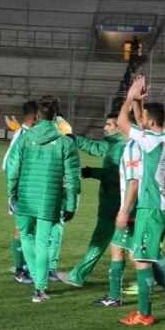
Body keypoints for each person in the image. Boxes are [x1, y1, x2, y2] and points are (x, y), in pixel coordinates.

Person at [115, 76, 165, 326]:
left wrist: (128, 98)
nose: (142, 122)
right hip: (163, 206)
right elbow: (139, 125)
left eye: (145, 119)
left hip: (152, 207)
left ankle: (144, 315)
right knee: (147, 255)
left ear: (152, 122)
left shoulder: (153, 141)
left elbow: (122, 123)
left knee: (142, 262)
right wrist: (138, 102)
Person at [5, 96, 81, 303]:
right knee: (42, 242)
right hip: (49, 199)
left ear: (37, 116)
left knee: (27, 237)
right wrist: (72, 204)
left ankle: (38, 283)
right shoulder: (65, 142)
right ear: (55, 117)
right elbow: (73, 178)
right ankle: (40, 288)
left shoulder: (24, 138)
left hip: (26, 198)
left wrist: (11, 193)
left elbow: (12, 168)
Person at [58, 112, 125, 287]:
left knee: (99, 240)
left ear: (119, 127)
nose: (105, 127)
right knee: (130, 245)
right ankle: (154, 278)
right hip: (117, 201)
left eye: (109, 124)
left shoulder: (121, 146)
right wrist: (75, 139)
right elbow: (95, 148)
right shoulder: (115, 144)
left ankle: (79, 276)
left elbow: (116, 175)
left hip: (114, 202)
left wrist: (90, 172)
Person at [94, 135, 143, 307]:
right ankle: (114, 297)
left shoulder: (133, 148)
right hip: (139, 208)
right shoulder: (147, 144)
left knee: (138, 256)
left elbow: (134, 183)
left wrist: (124, 211)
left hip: (133, 210)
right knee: (119, 248)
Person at [3, 101, 37, 284]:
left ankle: (25, 266)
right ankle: (19, 270)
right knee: (22, 229)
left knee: (29, 228)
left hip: (30, 190)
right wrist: (15, 190)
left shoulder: (27, 134)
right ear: (34, 117)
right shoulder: (23, 135)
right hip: (22, 191)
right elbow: (7, 163)